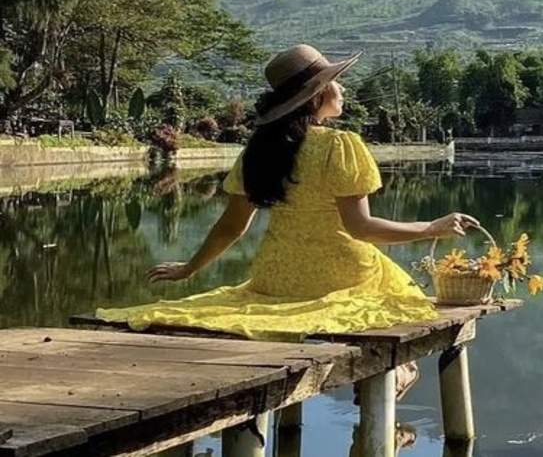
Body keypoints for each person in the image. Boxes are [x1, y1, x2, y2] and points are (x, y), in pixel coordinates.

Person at [96, 44, 480, 394]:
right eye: (335, 83)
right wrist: (432, 227)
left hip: (274, 279)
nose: (341, 90)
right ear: (317, 96)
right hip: (341, 276)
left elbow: (232, 226)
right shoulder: (340, 146)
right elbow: (361, 228)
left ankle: (392, 385)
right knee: (390, 288)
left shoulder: (260, 151)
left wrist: (190, 268)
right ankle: (394, 379)